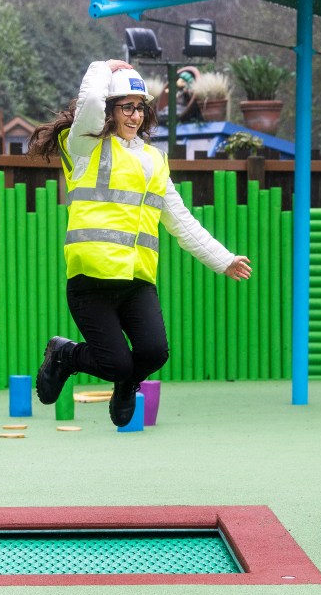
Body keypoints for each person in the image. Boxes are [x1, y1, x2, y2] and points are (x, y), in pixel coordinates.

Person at [27, 59, 251, 427]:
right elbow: (88, 105)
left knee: (154, 352)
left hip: (137, 281)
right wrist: (103, 66)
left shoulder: (154, 159)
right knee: (115, 362)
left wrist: (222, 259)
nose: (134, 116)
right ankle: (64, 355)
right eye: (126, 106)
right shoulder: (83, 147)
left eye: (140, 107)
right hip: (91, 280)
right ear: (110, 110)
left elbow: (180, 220)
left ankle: (126, 384)